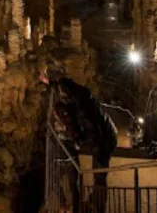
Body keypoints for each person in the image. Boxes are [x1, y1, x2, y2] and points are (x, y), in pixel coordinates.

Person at [42, 69, 118, 212]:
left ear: (69, 95)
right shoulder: (78, 93)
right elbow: (61, 87)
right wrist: (49, 82)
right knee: (97, 174)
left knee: (100, 175)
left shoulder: (84, 109)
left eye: (63, 95)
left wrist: (78, 142)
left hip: (104, 140)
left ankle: (98, 207)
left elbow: (92, 134)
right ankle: (91, 202)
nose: (61, 97)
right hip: (103, 133)